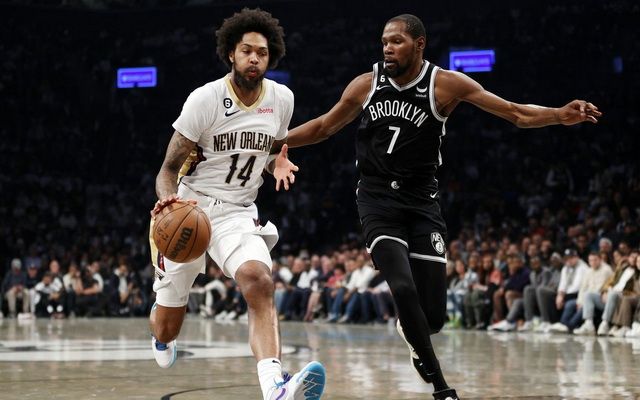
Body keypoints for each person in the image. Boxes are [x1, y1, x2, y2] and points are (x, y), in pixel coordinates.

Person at [286, 14, 601, 400]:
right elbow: (323, 127)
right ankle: (442, 388)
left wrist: (558, 115)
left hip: (421, 204)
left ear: (419, 44)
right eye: (384, 41)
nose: (387, 48)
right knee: (402, 287)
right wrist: (272, 143)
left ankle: (411, 331)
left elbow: (515, 112)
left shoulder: (446, 84)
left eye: (397, 41)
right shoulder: (366, 84)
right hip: (377, 199)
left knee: (432, 318)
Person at [147, 8, 325, 400]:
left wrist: (278, 161)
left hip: (238, 212)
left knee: (259, 281)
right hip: (189, 209)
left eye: (262, 52)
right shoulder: (205, 99)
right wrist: (168, 202)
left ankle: (274, 386)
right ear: (231, 53)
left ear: (270, 57)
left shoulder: (282, 99)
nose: (254, 58)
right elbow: (167, 170)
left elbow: (271, 147)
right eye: (246, 51)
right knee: (167, 327)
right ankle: (160, 331)